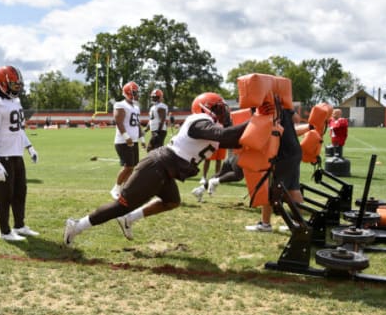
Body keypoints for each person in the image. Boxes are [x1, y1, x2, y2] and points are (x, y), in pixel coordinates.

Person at [64, 92, 249, 246]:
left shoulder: (210, 126)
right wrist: (254, 121)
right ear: (205, 108)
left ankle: (129, 218)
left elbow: (231, 139)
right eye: (218, 108)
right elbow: (223, 135)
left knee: (172, 201)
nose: (223, 112)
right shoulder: (199, 120)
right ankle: (77, 225)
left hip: (166, 171)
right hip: (157, 166)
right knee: (120, 206)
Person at [0, 65, 39, 241]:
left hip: (16, 153)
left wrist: (29, 147)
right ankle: (5, 231)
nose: (17, 88)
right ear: (2, 84)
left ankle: (19, 225)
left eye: (18, 85)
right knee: (4, 194)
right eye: (14, 85)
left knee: (20, 191)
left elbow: (18, 130)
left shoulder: (15, 102)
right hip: (1, 155)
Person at [245, 108, 309, 232]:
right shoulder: (283, 104)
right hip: (294, 150)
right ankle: (299, 223)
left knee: (270, 188)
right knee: (292, 188)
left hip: (282, 153)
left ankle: (265, 224)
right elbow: (296, 118)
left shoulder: (268, 105)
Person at [110, 81, 144, 200]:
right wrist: (126, 137)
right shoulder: (120, 105)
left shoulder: (136, 107)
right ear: (128, 92)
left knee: (132, 166)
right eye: (135, 92)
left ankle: (125, 190)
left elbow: (137, 124)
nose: (137, 94)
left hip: (133, 140)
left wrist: (142, 138)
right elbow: (118, 122)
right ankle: (116, 188)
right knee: (128, 166)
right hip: (123, 141)